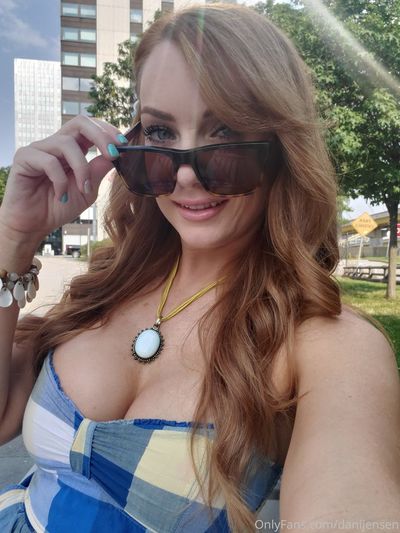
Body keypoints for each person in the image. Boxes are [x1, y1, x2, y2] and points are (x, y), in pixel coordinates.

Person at [0, 3, 399, 532]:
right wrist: (14, 239)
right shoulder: (107, 285)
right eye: (162, 133)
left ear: (283, 149)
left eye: (225, 132)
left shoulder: (325, 342)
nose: (187, 176)